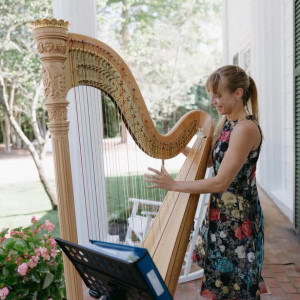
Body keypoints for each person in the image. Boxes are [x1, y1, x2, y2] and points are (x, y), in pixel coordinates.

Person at [144, 65, 264, 300]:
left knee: (235, 289)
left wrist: (174, 185)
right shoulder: (226, 124)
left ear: (238, 93)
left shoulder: (245, 128)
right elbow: (209, 161)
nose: (212, 101)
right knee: (224, 287)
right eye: (212, 95)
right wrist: (175, 145)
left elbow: (219, 182)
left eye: (218, 95)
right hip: (221, 214)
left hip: (237, 220)